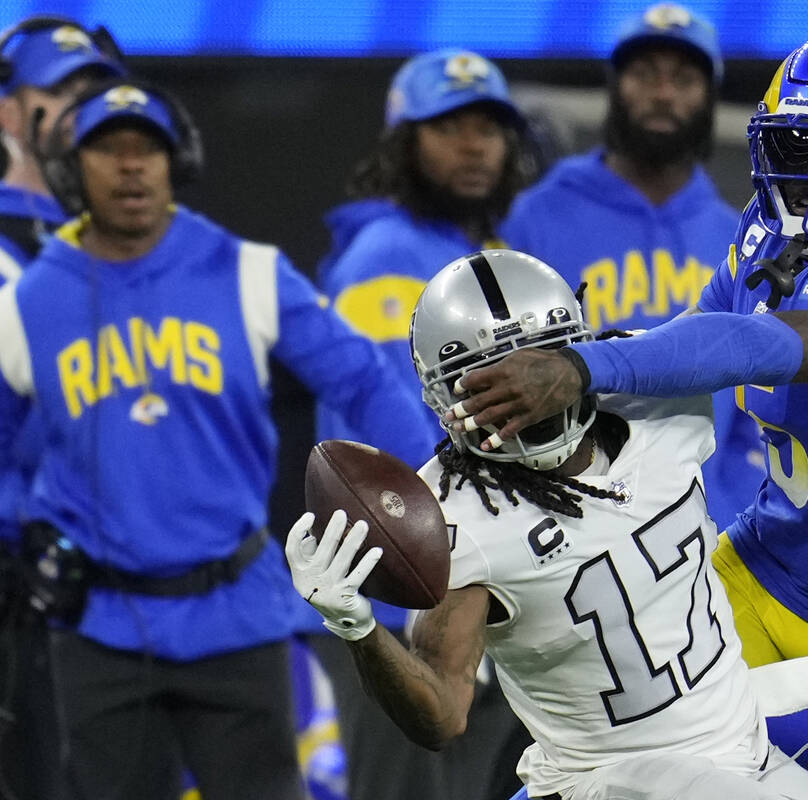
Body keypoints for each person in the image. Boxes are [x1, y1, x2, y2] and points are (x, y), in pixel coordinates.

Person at [444, 28, 808, 800]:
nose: (804, 179)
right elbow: (690, 339)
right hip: (768, 565)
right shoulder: (765, 236)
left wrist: (583, 366)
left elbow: (762, 345)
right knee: (632, 752)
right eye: (792, 149)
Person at [0, 78, 430, 799]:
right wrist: (28, 523)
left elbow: (361, 378)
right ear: (74, 169)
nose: (132, 167)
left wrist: (436, 485)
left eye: (149, 150)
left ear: (179, 165)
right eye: (110, 151)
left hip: (235, 616)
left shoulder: (248, 274)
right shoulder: (26, 307)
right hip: (100, 627)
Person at [287, 248, 808, 800]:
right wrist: (358, 630)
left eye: (532, 366)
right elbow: (443, 714)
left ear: (577, 351)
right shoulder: (456, 517)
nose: (517, 396)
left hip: (740, 747)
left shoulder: (655, 400)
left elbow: (738, 333)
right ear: (441, 396)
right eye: (482, 382)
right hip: (605, 785)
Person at [298, 48, 530, 800]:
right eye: (449, 126)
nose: (474, 145)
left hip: (475, 568)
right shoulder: (388, 254)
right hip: (409, 566)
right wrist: (436, 571)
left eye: (489, 127)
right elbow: (378, 430)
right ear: (405, 142)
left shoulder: (481, 253)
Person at [501, 3, 764, 531]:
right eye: (645, 74)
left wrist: (733, 507)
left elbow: (755, 395)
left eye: (685, 78)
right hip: (569, 515)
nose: (663, 93)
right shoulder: (537, 216)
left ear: (710, 97)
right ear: (614, 87)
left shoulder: (736, 233)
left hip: (707, 524)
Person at [0, 16, 125, 800]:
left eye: (98, 91)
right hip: (20, 581)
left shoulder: (141, 240)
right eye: (63, 91)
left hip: (124, 580)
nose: (84, 108)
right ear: (9, 112)